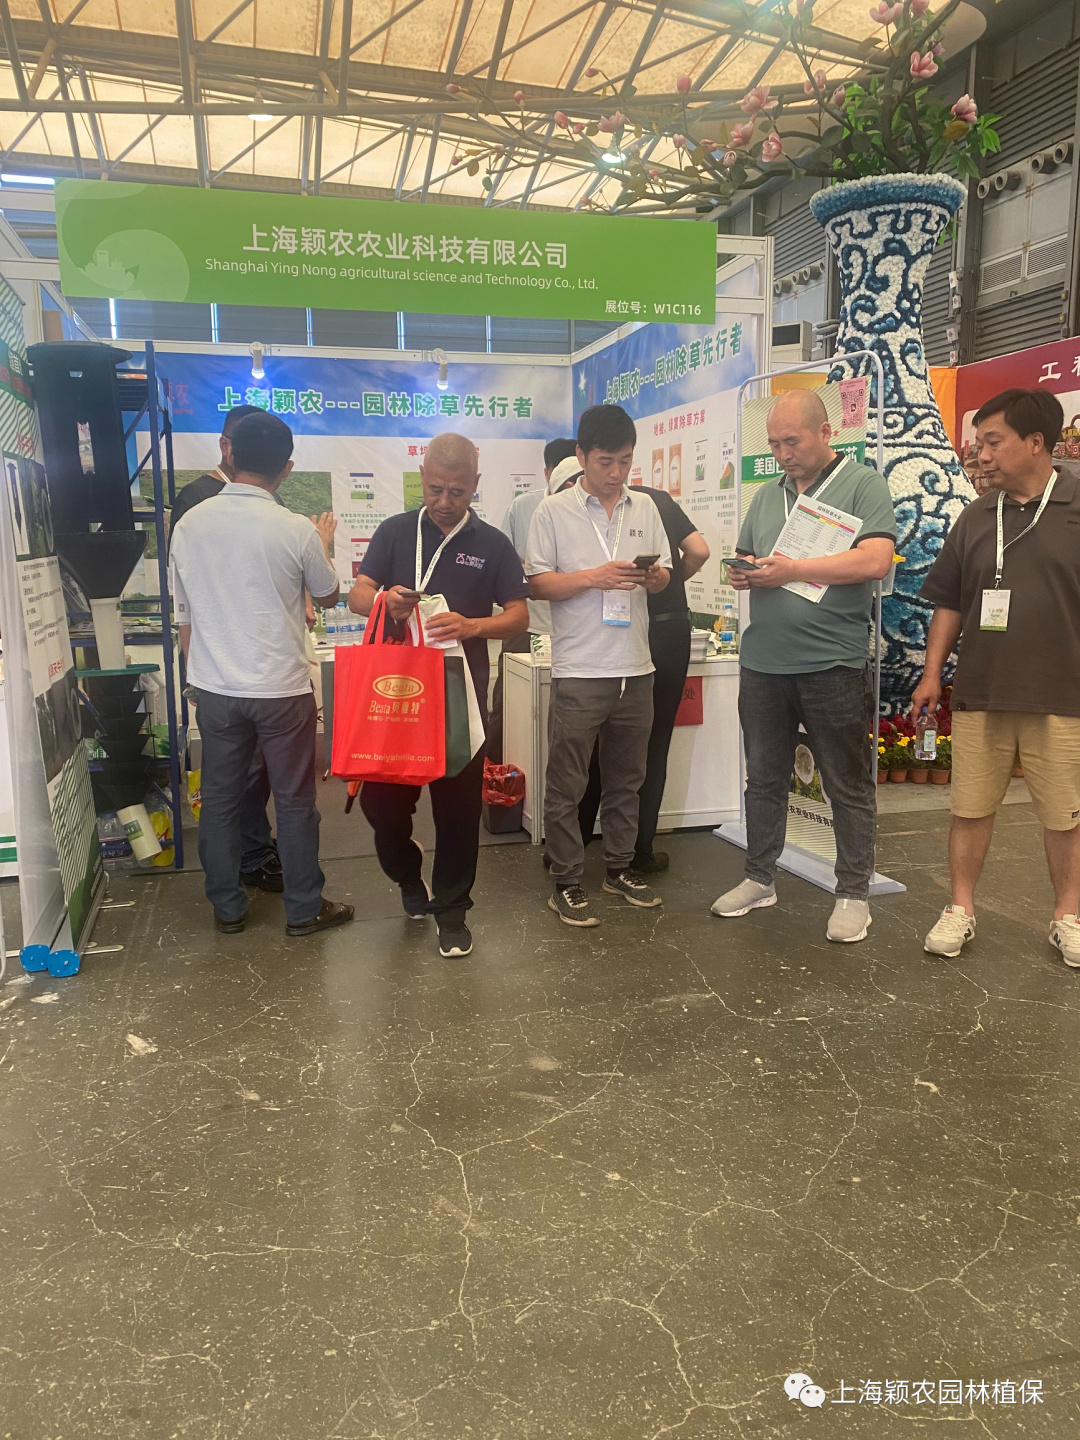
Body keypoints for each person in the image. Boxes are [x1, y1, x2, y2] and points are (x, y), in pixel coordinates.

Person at [712, 389, 896, 942]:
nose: (782, 453)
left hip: (831, 661)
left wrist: (793, 569)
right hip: (763, 660)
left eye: (791, 441)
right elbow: (747, 557)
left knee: (846, 782)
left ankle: (853, 893)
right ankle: (759, 877)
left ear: (826, 433)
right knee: (764, 777)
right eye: (773, 444)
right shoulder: (767, 495)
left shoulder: (862, 484)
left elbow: (876, 560)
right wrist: (743, 571)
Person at [170, 411, 354, 937]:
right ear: (287, 468)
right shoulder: (295, 529)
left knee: (220, 801)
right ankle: (304, 909)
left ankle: (227, 908)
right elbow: (328, 596)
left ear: (229, 453)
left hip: (215, 688)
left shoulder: (189, 525)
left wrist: (194, 682)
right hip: (282, 690)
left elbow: (184, 616)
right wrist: (321, 545)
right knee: (295, 802)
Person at [914, 388, 1080, 967]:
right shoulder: (976, 515)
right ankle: (959, 908)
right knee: (969, 807)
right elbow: (950, 602)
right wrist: (931, 674)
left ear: (1036, 442)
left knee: (1064, 814)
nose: (981, 455)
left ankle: (1068, 916)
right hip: (981, 691)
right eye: (979, 443)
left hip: (1063, 694)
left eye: (992, 442)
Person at [348, 433, 529, 959]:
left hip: (460, 701)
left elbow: (518, 614)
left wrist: (472, 626)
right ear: (422, 478)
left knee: (457, 814)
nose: (445, 501)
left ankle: (452, 911)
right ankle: (408, 874)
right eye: (435, 489)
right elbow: (358, 593)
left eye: (457, 491)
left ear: (475, 485)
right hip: (395, 701)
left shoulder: (492, 544)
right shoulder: (395, 531)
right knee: (382, 806)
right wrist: (384, 601)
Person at [526, 404, 671, 927]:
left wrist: (654, 578)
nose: (616, 472)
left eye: (625, 461)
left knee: (627, 779)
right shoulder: (552, 512)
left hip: (636, 667)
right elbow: (538, 584)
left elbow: (665, 574)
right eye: (606, 461)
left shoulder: (645, 506)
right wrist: (594, 577)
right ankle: (566, 880)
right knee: (567, 783)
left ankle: (619, 869)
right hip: (580, 669)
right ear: (581, 456)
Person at [169, 403, 283, 895]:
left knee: (256, 770)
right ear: (227, 446)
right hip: (219, 666)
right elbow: (185, 601)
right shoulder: (196, 501)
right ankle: (250, 857)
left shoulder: (265, 499)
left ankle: (249, 856)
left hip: (260, 664)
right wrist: (192, 673)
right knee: (235, 775)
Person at [577, 486, 709, 872]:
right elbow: (699, 551)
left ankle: (573, 843)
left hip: (617, 626)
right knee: (654, 741)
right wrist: (671, 583)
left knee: (596, 736)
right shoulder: (660, 500)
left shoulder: (588, 505)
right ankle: (639, 850)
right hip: (669, 631)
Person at [487, 438, 580, 762]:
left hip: (577, 631)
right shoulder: (524, 507)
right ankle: (496, 778)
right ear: (548, 473)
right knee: (507, 706)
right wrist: (536, 576)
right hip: (527, 628)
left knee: (568, 712)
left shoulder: (597, 509)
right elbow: (503, 563)